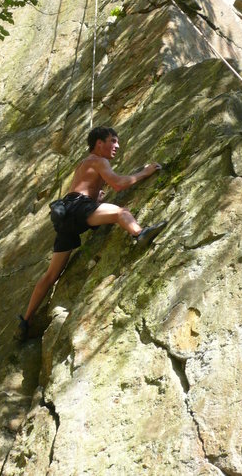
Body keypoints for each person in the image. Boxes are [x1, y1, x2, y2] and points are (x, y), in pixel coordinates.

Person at [18, 126, 166, 338]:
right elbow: (118, 184)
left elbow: (80, 190)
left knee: (51, 275)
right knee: (120, 212)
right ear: (99, 143)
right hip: (78, 209)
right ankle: (139, 233)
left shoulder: (84, 164)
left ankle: (25, 321)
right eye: (113, 141)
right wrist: (145, 172)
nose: (117, 146)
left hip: (66, 215)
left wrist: (94, 199)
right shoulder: (99, 160)